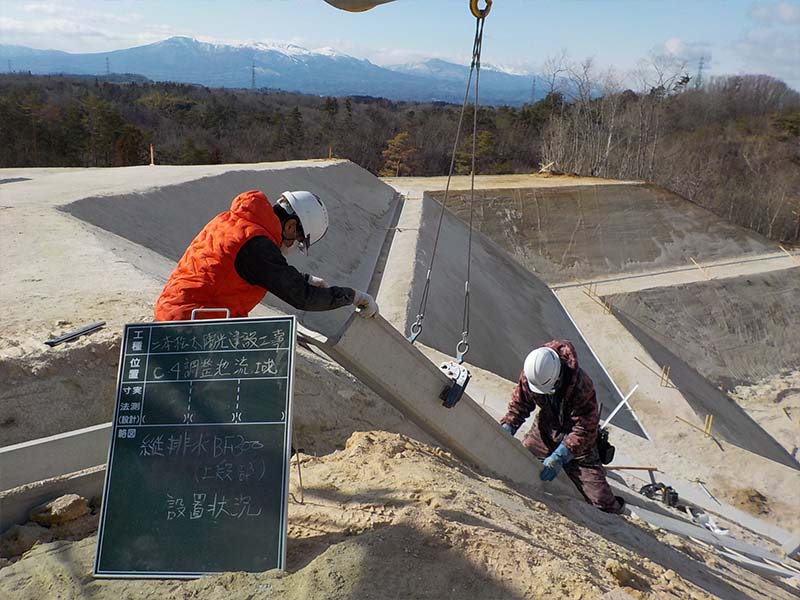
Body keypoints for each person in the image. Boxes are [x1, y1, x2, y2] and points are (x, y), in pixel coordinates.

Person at [154, 189, 378, 322]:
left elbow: (252, 267)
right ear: (290, 227)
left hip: (177, 311)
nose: (292, 246)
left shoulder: (233, 223)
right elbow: (302, 297)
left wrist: (305, 279)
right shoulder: (257, 244)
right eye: (298, 240)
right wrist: (353, 296)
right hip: (194, 323)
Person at [500, 340, 624, 514]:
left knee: (601, 502)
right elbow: (520, 405)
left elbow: (584, 429)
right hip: (546, 430)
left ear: (557, 378)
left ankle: (618, 508)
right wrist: (507, 427)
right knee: (518, 462)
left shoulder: (581, 386)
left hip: (579, 444)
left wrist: (561, 455)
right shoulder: (532, 373)